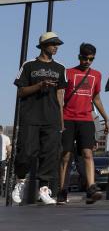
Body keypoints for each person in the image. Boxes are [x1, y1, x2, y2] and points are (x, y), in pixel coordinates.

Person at [11, 32, 68, 205]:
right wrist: (39, 85)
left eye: (57, 44)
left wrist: (61, 121)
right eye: (53, 44)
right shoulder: (29, 65)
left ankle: (44, 189)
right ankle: (20, 182)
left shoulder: (60, 68)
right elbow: (21, 92)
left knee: (49, 154)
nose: (56, 47)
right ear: (43, 45)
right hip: (30, 116)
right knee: (26, 152)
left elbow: (60, 96)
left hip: (51, 118)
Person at [57, 42, 109, 205]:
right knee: (65, 156)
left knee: (87, 153)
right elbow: (60, 96)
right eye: (85, 58)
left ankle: (91, 188)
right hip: (68, 118)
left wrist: (106, 118)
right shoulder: (68, 73)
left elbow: (96, 98)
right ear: (79, 56)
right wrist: (60, 120)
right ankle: (62, 190)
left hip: (86, 119)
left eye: (91, 59)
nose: (87, 61)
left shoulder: (97, 75)